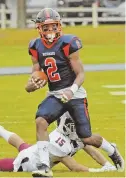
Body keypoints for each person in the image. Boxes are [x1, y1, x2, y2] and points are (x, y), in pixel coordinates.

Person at [25, 8, 124, 177]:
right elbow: (36, 71)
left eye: (53, 27)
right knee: (40, 121)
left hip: (75, 94)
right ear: (39, 28)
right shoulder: (35, 46)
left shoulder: (68, 43)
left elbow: (81, 74)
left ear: (59, 26)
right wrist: (31, 85)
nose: (50, 31)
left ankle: (112, 149)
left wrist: (71, 92)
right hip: (55, 94)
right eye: (46, 27)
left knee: (86, 138)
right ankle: (43, 166)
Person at [0, 118, 116, 174]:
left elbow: (92, 150)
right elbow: (74, 167)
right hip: (28, 163)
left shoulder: (74, 136)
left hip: (33, 151)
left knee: (22, 145)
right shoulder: (60, 144)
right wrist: (97, 171)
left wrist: (106, 164)